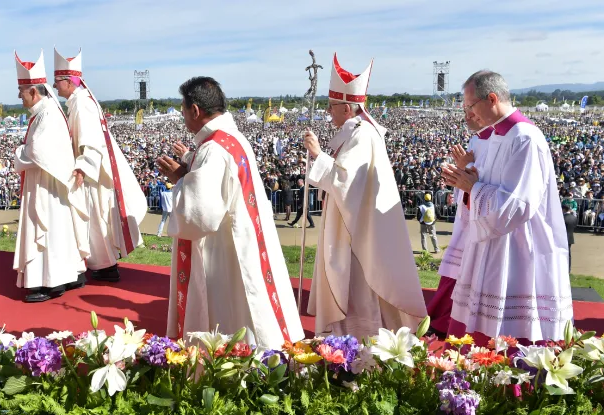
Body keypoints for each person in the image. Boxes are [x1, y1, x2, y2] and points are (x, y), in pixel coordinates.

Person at [157, 76, 304, 348]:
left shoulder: (213, 148)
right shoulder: (231, 138)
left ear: (196, 110)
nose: (183, 116)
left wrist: (180, 179)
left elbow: (199, 214)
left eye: (183, 109)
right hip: (245, 237)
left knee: (236, 311)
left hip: (227, 249)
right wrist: (190, 160)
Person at [442, 70, 572, 344]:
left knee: (508, 340)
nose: (468, 113)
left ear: (491, 99)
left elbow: (518, 205)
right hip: (488, 244)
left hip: (516, 249)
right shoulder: (492, 136)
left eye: (470, 106)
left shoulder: (525, 138)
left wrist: (472, 188)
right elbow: (480, 185)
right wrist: (466, 178)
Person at [302, 53, 427, 337]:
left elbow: (348, 182)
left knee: (358, 290)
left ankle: (358, 347)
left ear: (347, 108)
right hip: (349, 223)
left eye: (332, 106)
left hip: (357, 232)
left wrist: (317, 155)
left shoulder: (362, 135)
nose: (328, 112)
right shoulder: (353, 132)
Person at [54, 48, 147, 282]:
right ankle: (104, 265)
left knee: (95, 220)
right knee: (96, 220)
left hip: (92, 173)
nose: (55, 87)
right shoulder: (80, 100)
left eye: (57, 82)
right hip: (92, 170)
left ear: (68, 81)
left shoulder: (82, 103)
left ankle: (106, 266)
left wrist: (83, 167)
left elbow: (92, 141)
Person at [13, 50, 89, 303]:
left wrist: (17, 152)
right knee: (59, 229)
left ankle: (50, 281)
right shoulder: (46, 111)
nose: (19, 96)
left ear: (34, 91)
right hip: (50, 182)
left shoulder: (47, 114)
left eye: (22, 92)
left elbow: (37, 151)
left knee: (50, 228)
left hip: (47, 186)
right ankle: (67, 275)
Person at [427, 123, 492, 338]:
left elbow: (488, 183)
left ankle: (450, 323)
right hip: (467, 220)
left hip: (484, 224)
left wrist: (467, 166)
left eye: (471, 108)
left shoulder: (504, 141)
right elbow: (468, 185)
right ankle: (443, 320)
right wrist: (458, 173)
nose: (468, 116)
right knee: (452, 277)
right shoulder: (476, 139)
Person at [563, 203, 577, 273]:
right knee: (569, 255)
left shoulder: (562, 218)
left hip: (563, 238)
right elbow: (575, 226)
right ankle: (569, 269)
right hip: (570, 237)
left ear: (564, 210)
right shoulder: (574, 218)